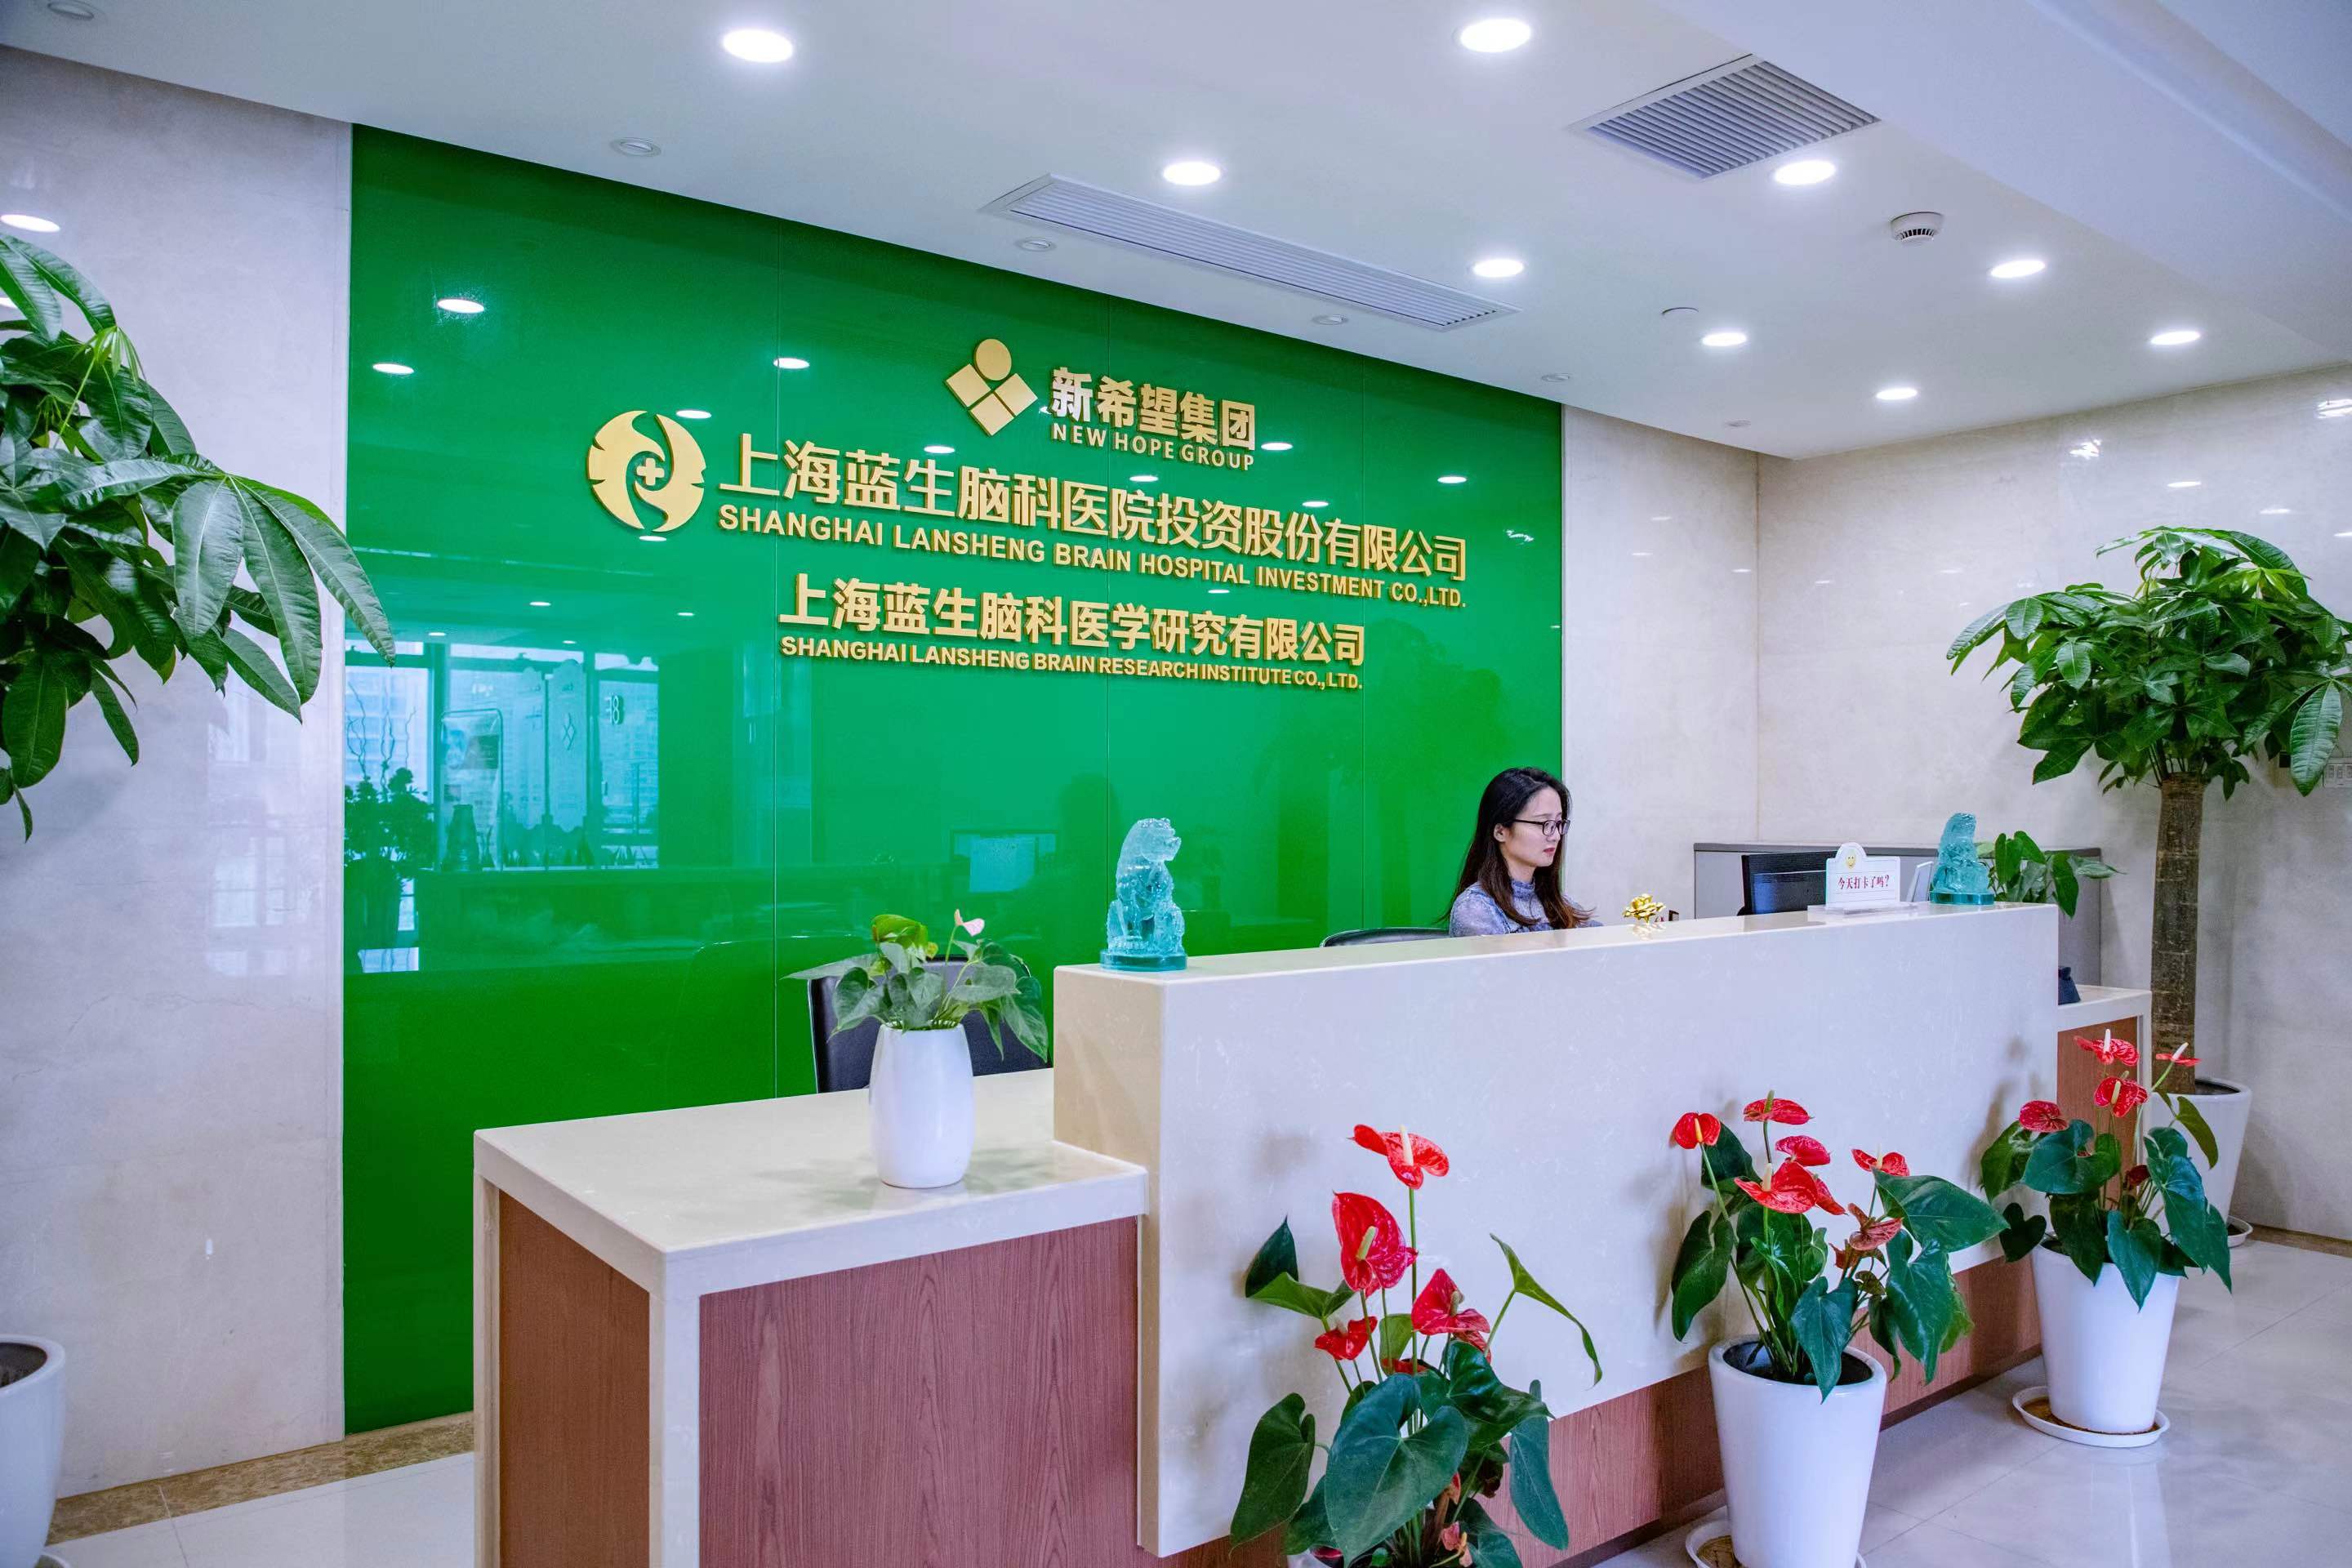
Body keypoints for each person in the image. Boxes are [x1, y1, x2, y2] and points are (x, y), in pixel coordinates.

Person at [1446, 767, 1597, 936]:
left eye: (1558, 823)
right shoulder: (1476, 909)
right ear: (1500, 832)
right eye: (1544, 823)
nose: (1555, 836)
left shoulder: (1560, 904)